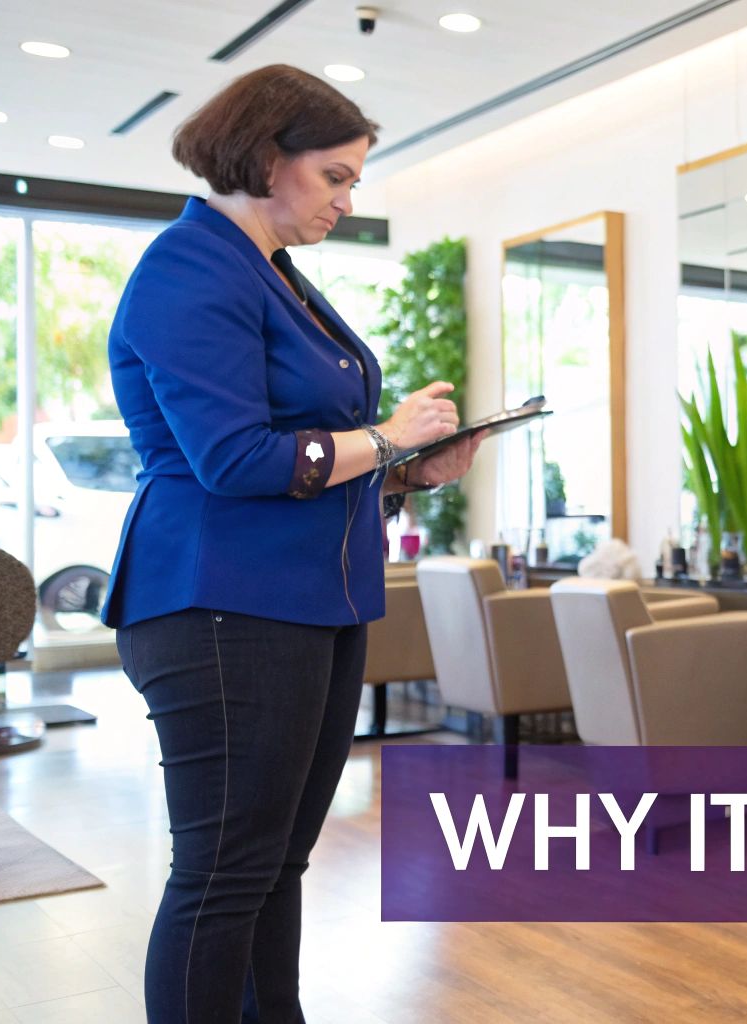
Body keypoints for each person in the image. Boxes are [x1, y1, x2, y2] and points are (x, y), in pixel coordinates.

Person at [102, 65, 484, 1023]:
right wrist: (389, 437)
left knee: (275, 864)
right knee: (227, 872)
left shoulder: (270, 272)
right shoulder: (191, 267)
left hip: (309, 602)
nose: (349, 201)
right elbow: (232, 459)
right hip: (220, 605)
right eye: (336, 177)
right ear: (269, 159)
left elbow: (304, 451)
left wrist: (408, 471)